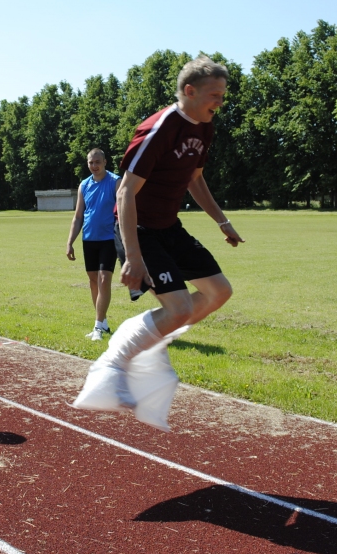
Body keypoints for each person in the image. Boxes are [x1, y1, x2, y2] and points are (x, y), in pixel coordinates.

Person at [73, 55, 245, 431]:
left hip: (169, 225)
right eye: (214, 94)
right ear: (190, 91)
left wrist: (222, 221)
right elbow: (124, 194)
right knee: (179, 305)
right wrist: (132, 257)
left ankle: (149, 339)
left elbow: (195, 180)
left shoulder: (205, 127)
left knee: (219, 291)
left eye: (222, 94)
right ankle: (116, 363)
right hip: (138, 229)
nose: (220, 101)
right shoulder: (161, 128)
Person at [66, 148, 120, 341]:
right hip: (89, 239)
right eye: (91, 163)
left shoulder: (115, 182)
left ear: (105, 162)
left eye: (98, 162)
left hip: (109, 239)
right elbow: (78, 216)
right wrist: (70, 241)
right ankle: (103, 323)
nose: (94, 166)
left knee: (104, 279)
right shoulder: (84, 185)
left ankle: (97, 326)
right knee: (93, 281)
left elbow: (123, 211)